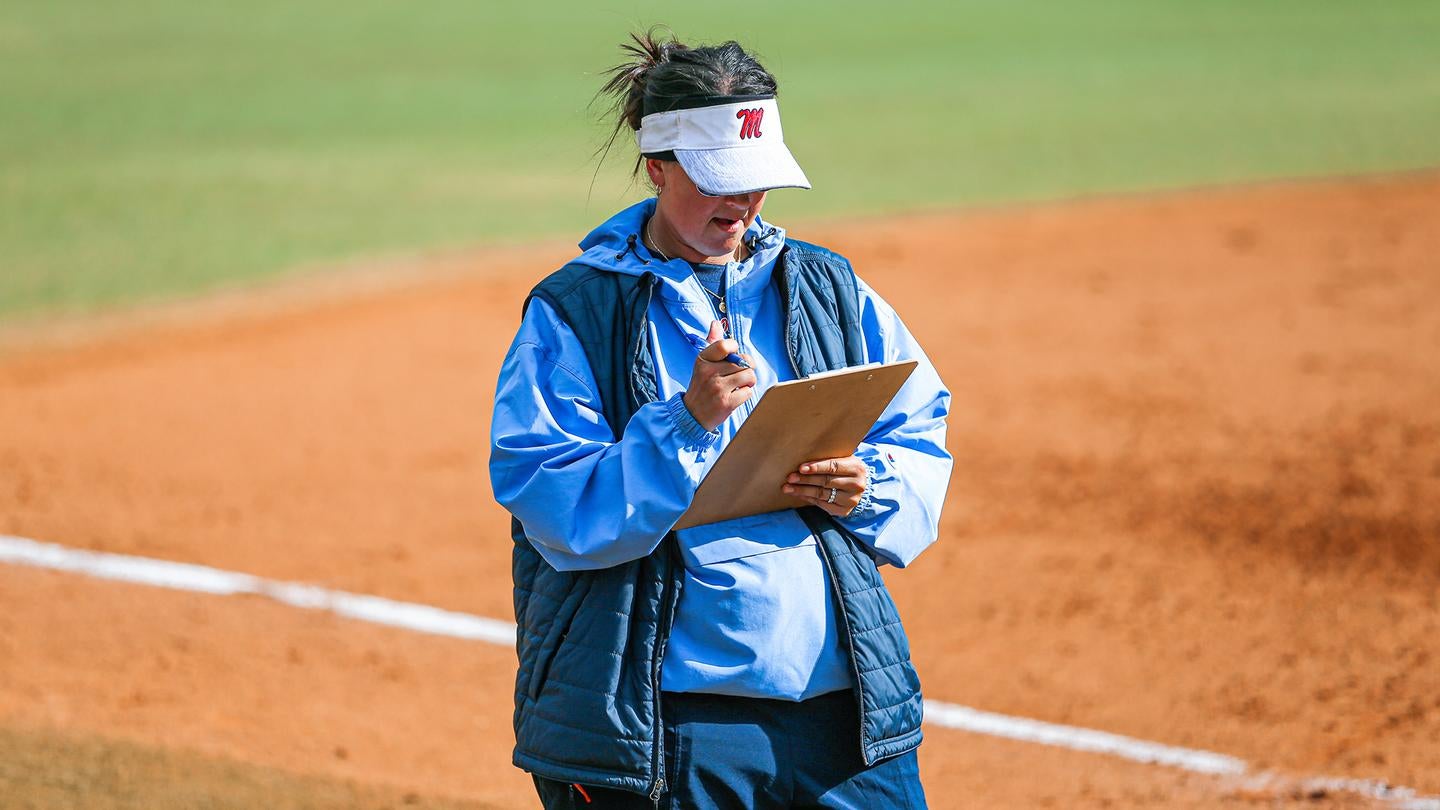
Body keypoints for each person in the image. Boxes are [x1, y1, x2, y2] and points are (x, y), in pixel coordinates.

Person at [489, 29, 952, 810]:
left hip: (842, 715)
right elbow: (552, 499)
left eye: (756, 180)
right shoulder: (576, 312)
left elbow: (918, 431)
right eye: (717, 181)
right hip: (665, 724)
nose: (741, 204)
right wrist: (685, 424)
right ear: (656, 166)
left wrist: (866, 484)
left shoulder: (828, 287)